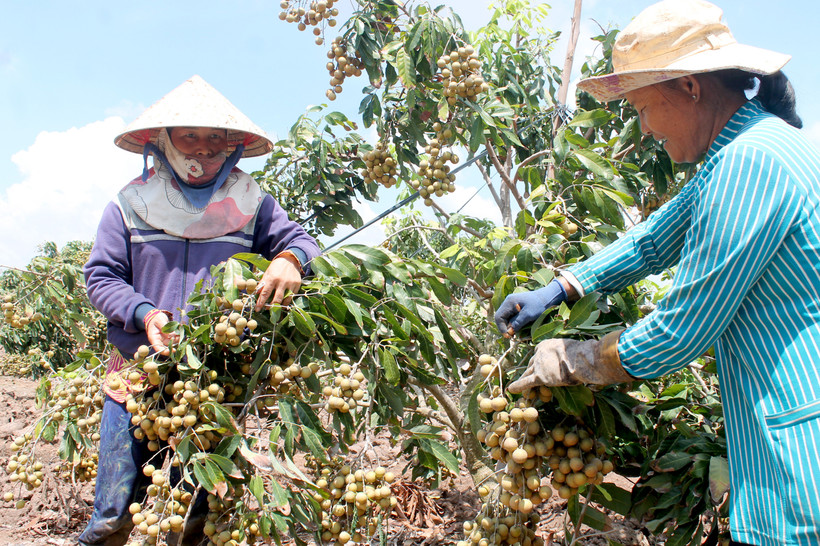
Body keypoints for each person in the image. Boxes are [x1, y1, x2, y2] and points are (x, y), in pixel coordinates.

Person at [494, 1, 820, 545]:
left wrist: (571, 360)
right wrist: (561, 287)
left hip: (799, 466)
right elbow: (651, 242)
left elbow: (675, 337)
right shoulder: (741, 154)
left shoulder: (749, 164)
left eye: (643, 108)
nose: (643, 129)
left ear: (690, 87)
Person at [78, 75, 321, 546]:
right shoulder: (129, 205)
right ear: (163, 141)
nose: (204, 149)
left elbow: (301, 243)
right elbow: (101, 278)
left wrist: (290, 260)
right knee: (113, 512)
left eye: (216, 138)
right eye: (190, 135)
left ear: (232, 146)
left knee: (194, 515)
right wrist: (145, 314)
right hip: (139, 375)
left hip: (215, 379)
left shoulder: (252, 203)